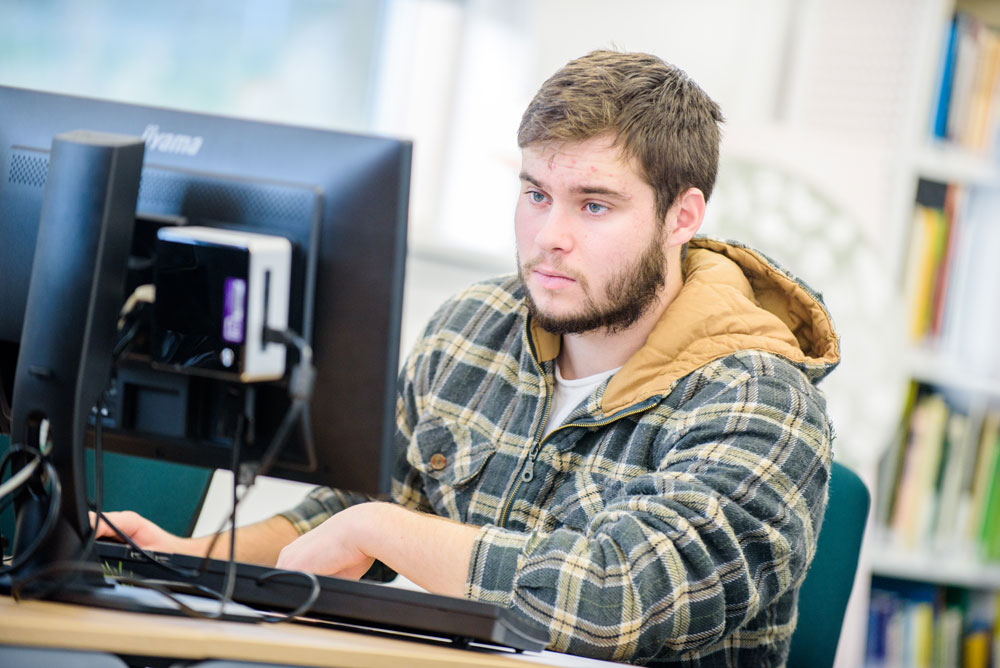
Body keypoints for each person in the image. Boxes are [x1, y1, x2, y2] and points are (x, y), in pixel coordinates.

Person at [97, 50, 840, 666]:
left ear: (682, 216)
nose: (550, 235)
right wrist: (192, 559)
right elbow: (351, 509)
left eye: (594, 205)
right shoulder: (472, 327)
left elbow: (619, 599)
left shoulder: (762, 398)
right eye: (535, 193)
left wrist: (381, 530)